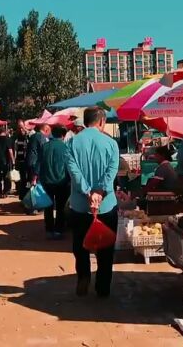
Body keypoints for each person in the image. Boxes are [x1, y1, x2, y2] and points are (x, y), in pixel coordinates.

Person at [66, 107, 119, 298]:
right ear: (102, 122)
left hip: (80, 205)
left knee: (80, 246)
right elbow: (112, 170)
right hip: (106, 205)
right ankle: (103, 287)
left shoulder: (72, 143)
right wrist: (99, 191)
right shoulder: (111, 144)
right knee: (105, 248)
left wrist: (88, 191)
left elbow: (74, 171)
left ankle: (83, 277)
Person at [39, 124, 70, 240]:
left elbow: (40, 163)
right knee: (61, 207)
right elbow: (68, 166)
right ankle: (58, 229)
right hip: (61, 181)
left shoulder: (44, 146)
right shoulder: (65, 147)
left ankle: (49, 229)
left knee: (48, 206)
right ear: (63, 135)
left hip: (46, 181)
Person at [0, 125, 15, 197]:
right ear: (5, 132)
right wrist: (13, 161)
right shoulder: (8, 139)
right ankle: (5, 192)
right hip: (6, 161)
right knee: (6, 177)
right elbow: (10, 151)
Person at [14, 119, 31, 200]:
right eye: (19, 128)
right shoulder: (16, 136)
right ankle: (22, 196)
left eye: (21, 127)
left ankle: (26, 196)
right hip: (19, 161)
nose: (20, 129)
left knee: (27, 180)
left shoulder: (28, 135)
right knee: (21, 180)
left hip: (27, 161)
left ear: (24, 126)